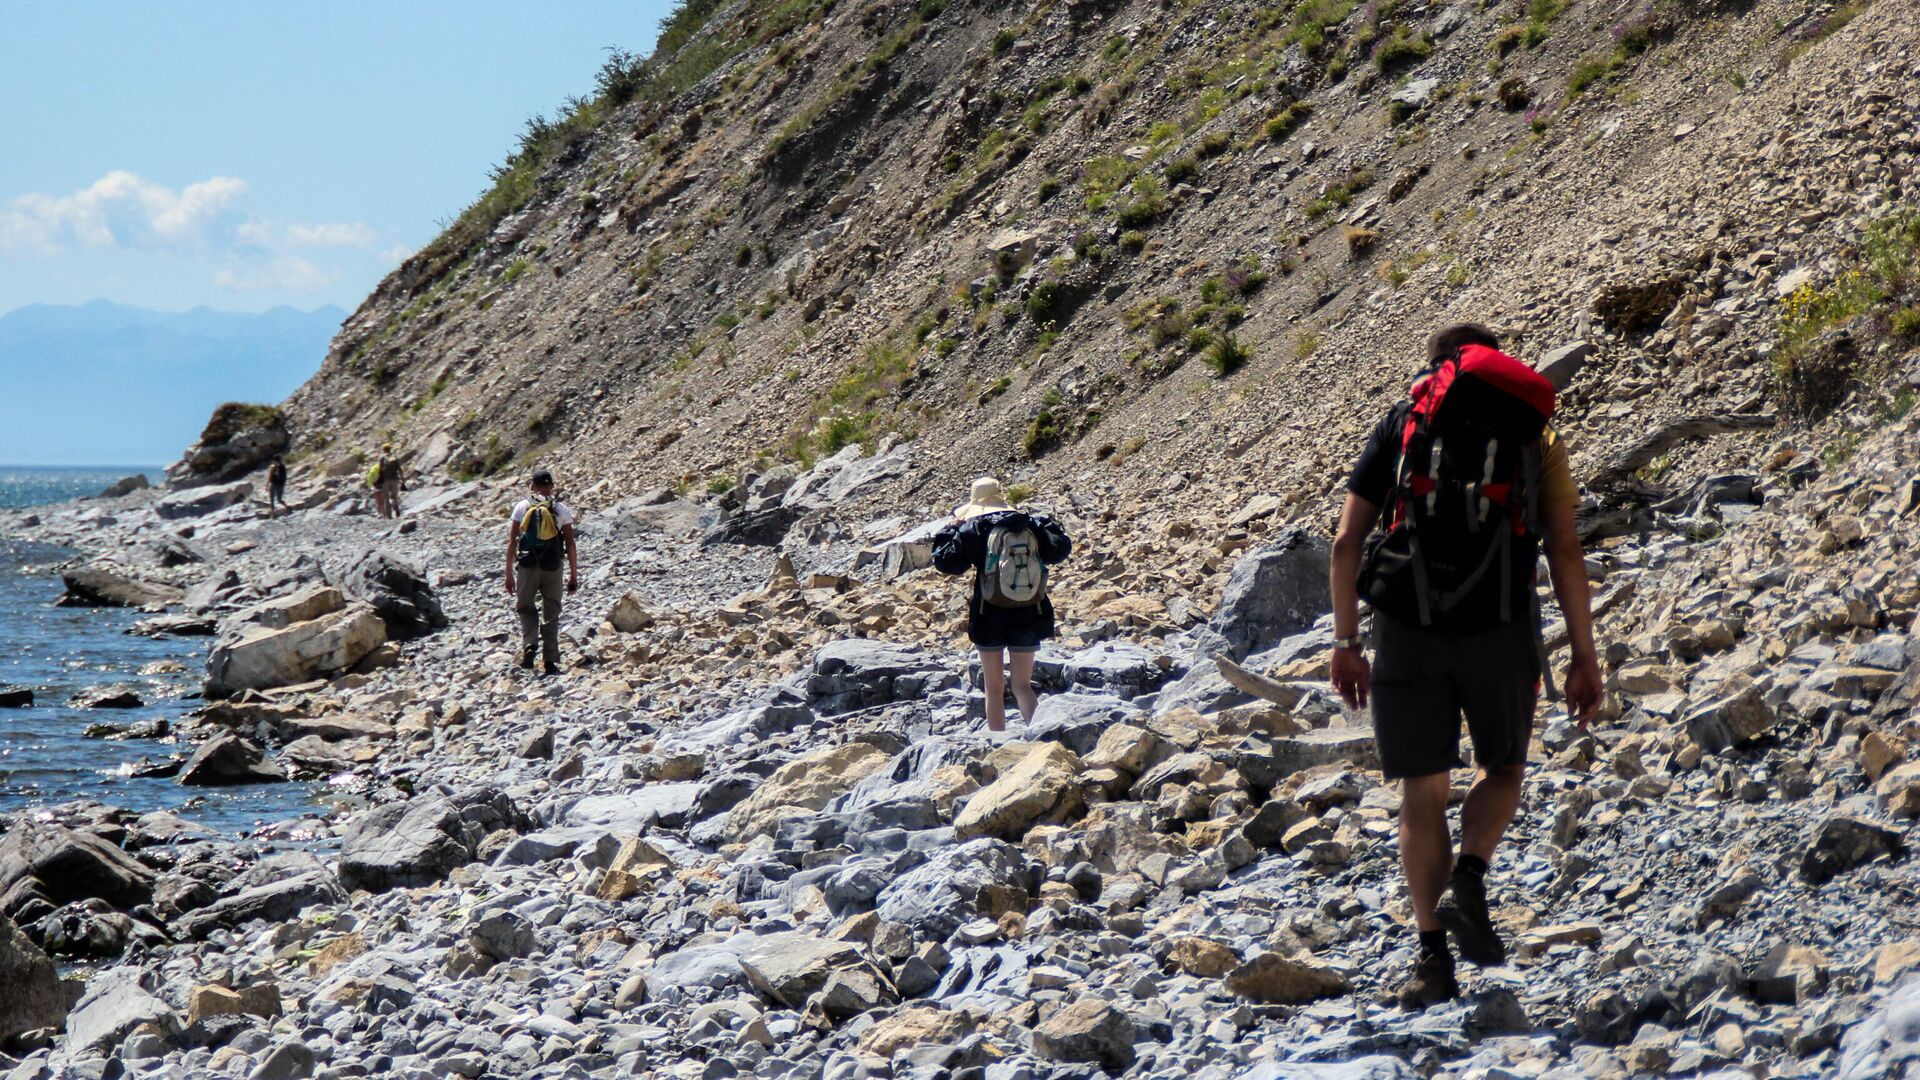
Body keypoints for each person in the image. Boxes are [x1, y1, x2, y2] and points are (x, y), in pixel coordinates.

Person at [1327, 323, 1602, 1009]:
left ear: (1437, 370)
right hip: (1501, 626)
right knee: (1503, 767)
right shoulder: (1532, 435)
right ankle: (1471, 876)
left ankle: (1430, 960)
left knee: (1422, 796)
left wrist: (1346, 643)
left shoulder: (1404, 423)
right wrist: (1583, 656)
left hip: (1408, 630)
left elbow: (1344, 544)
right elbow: (1564, 548)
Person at [932, 478, 1071, 732]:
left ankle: (996, 745)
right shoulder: (1028, 525)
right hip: (1028, 610)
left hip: (988, 614)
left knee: (993, 687)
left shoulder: (975, 528)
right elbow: (1059, 550)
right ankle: (1042, 737)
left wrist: (950, 530)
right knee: (1022, 685)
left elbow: (946, 563)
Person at [505, 468, 579, 675]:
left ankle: (530, 645)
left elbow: (512, 541)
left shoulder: (522, 506)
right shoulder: (560, 509)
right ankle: (550, 661)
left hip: (527, 566)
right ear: (551, 486)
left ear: (533, 486)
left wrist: (508, 574)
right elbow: (571, 544)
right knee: (552, 610)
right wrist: (574, 575)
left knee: (525, 607)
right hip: (553, 566)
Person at [376, 444, 404, 519]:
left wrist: (378, 479)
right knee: (394, 497)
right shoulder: (394, 457)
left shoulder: (382, 458)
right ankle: (396, 509)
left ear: (383, 450)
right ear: (390, 449)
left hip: (385, 481)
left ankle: (389, 516)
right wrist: (402, 479)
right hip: (395, 479)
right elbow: (400, 469)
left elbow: (380, 471)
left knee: (386, 499)